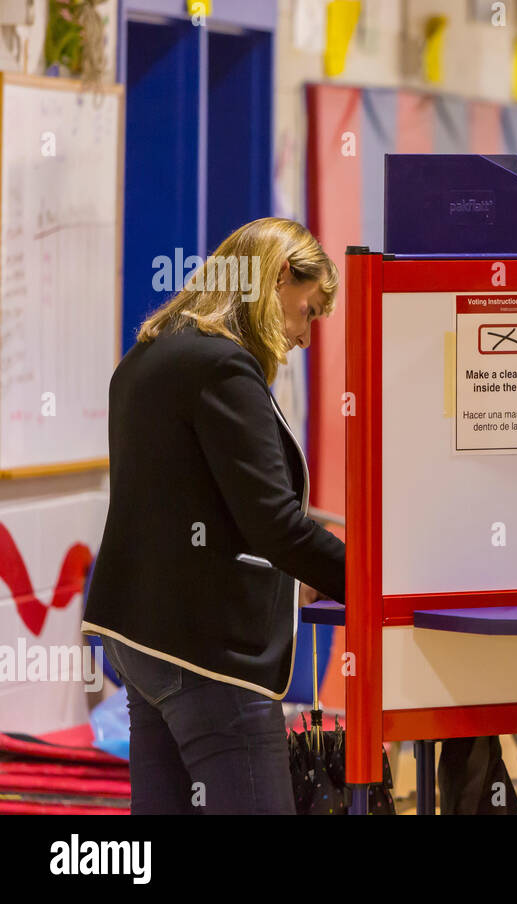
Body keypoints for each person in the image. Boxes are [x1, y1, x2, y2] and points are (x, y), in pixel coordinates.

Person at [83, 218, 346, 814]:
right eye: (308, 311)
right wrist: (370, 580)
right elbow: (274, 522)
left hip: (139, 640)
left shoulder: (148, 355)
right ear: (279, 277)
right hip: (205, 652)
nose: (306, 336)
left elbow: (193, 502)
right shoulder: (225, 369)